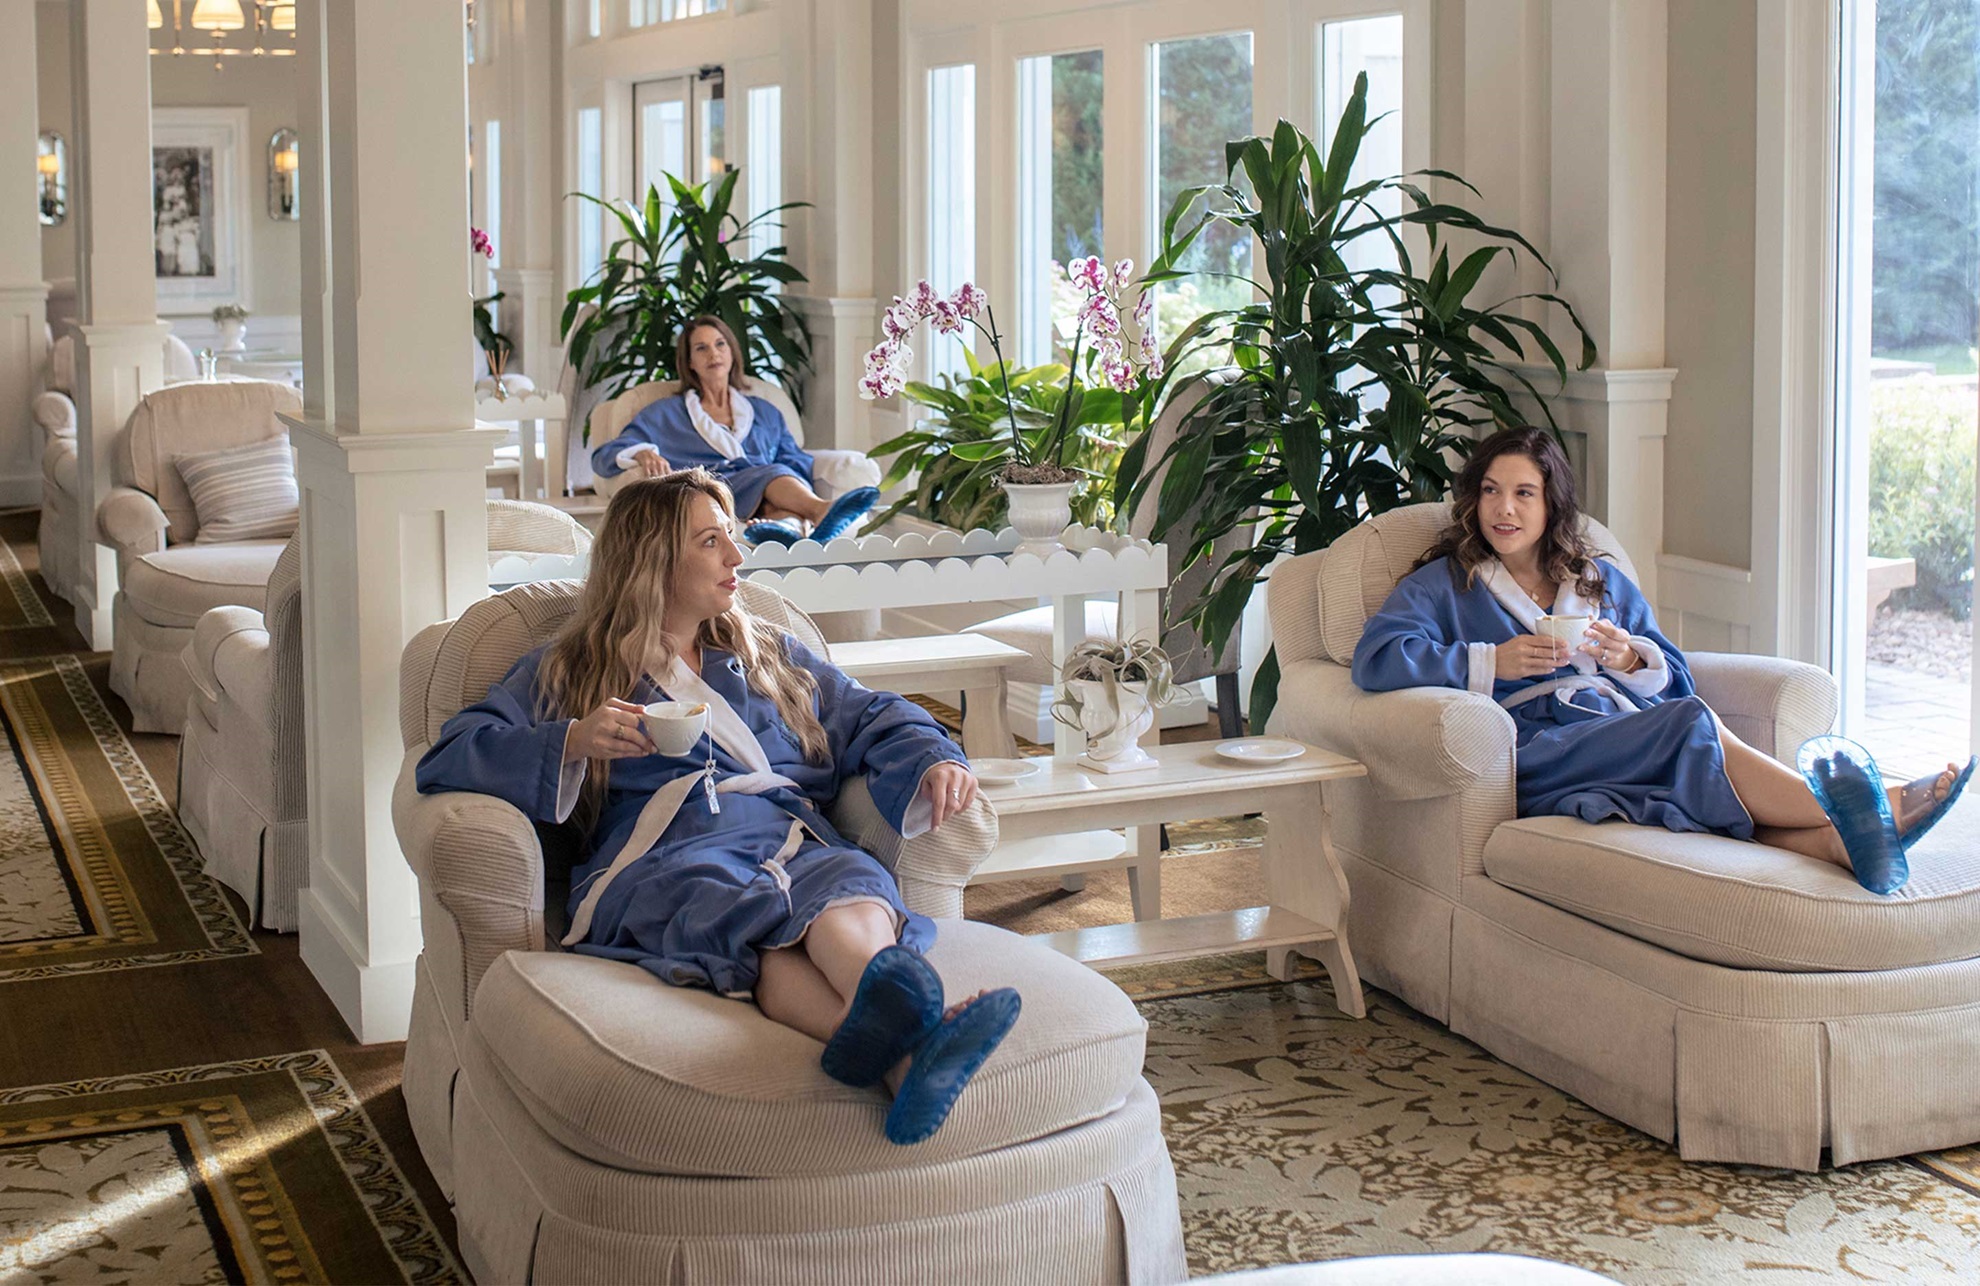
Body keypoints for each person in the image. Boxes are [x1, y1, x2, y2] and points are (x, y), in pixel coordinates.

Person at [416, 470, 1018, 1144]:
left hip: (784, 837)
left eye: (731, 537)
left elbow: (872, 713)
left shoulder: (765, 653)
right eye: (712, 542)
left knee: (843, 892)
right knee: (740, 904)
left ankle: (906, 1058)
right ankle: (921, 1029)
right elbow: (454, 753)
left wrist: (935, 756)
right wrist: (575, 739)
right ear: (652, 562)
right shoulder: (569, 669)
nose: (737, 557)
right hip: (665, 853)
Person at [1352, 425, 1971, 893]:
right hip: (1536, 754)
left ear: (1552, 505)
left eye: (1523, 493)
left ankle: (1837, 844)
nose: (1503, 509)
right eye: (1490, 491)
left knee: (1688, 736)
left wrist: (1630, 658)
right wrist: (1492, 662)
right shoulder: (1445, 584)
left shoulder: (1597, 580)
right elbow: (1377, 659)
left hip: (1616, 732)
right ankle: (1868, 801)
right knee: (1691, 723)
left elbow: (1671, 670)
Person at [589, 316, 879, 546]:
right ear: (689, 362)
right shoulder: (665, 414)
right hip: (712, 494)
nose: (713, 353)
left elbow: (794, 460)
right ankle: (821, 511)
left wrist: (790, 493)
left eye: (720, 344)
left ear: (732, 351)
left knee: (779, 495)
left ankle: (782, 528)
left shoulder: (765, 411)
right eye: (701, 348)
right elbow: (603, 456)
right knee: (772, 471)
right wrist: (642, 451)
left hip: (762, 499)